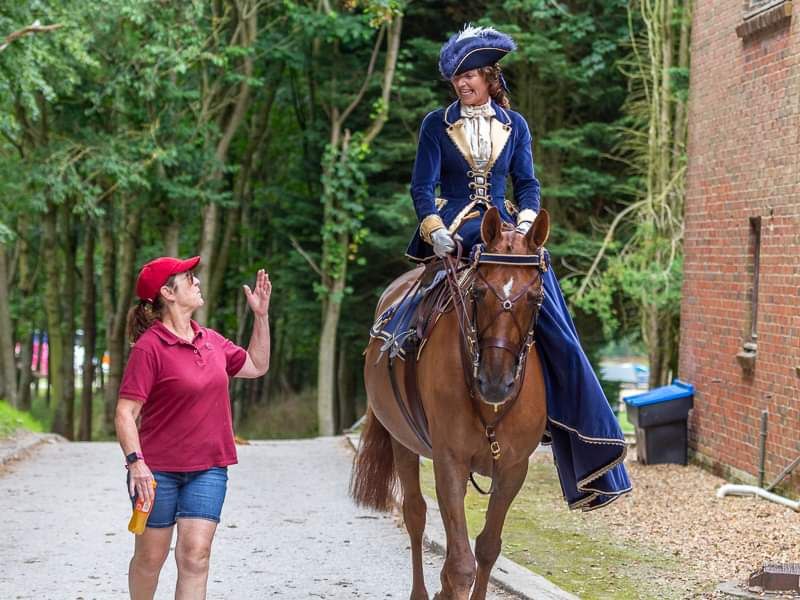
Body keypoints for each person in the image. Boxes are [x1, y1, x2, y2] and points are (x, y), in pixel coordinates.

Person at [406, 25, 632, 511]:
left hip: (509, 229)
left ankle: (576, 424)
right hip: (454, 229)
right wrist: (433, 228)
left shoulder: (517, 125)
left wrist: (527, 221)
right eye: (456, 78)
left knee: (550, 314)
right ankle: (397, 352)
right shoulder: (434, 124)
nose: (462, 84)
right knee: (416, 310)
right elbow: (422, 187)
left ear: (490, 78)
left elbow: (527, 184)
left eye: (470, 76)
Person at [115, 255, 271, 599]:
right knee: (149, 559)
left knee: (196, 557)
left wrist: (261, 316)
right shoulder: (149, 348)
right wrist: (135, 463)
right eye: (189, 278)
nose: (197, 282)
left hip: (209, 469)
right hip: (156, 475)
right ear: (167, 293)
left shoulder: (211, 340)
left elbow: (257, 365)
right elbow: (126, 413)